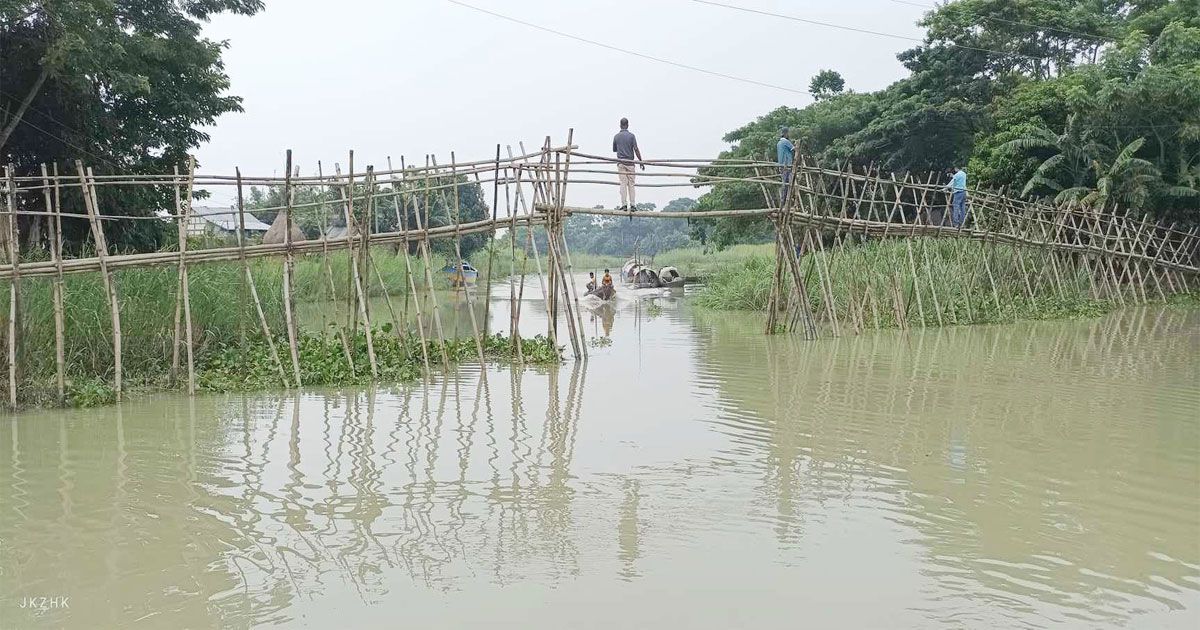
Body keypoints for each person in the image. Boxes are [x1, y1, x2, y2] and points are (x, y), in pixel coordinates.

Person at [613, 118, 644, 211]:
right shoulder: (631, 136)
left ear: (620, 125)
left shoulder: (616, 136)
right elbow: (636, 149)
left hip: (621, 163)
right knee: (631, 184)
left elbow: (614, 149)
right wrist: (641, 161)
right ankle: (633, 205)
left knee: (623, 184)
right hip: (630, 163)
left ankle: (624, 204)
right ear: (628, 125)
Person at [777, 127, 795, 206]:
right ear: (786, 133)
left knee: (785, 183)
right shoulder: (786, 142)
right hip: (787, 165)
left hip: (781, 166)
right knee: (789, 184)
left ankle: (783, 202)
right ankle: (787, 202)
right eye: (788, 133)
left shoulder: (779, 143)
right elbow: (795, 149)